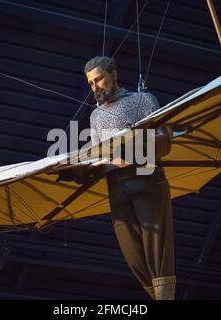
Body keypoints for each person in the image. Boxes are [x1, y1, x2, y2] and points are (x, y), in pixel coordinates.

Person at [62, 56, 176, 300]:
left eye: (99, 79)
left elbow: (163, 141)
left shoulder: (143, 100)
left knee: (156, 243)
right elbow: (96, 154)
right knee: (132, 252)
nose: (95, 87)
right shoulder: (96, 116)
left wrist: (129, 149)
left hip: (146, 179)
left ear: (114, 74)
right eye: (91, 83)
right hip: (116, 187)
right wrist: (79, 170)